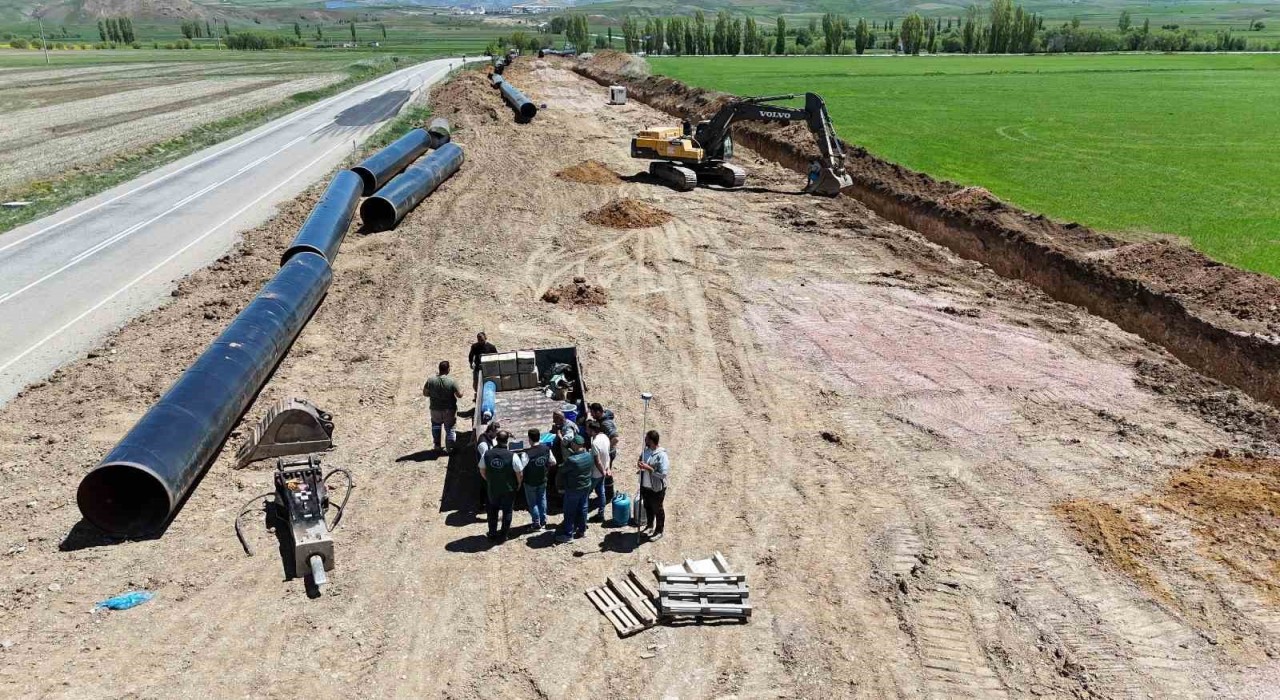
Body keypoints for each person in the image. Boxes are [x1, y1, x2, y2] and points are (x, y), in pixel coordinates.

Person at [480, 430, 522, 543]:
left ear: (496, 439)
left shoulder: (487, 454)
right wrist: (518, 484)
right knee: (507, 511)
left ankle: (492, 533)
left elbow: (482, 469)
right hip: (509, 488)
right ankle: (503, 535)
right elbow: (519, 473)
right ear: (507, 441)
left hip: (493, 488)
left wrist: (488, 480)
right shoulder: (512, 456)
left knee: (492, 510)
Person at [555, 436, 594, 543]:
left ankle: (568, 534)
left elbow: (562, 470)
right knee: (583, 508)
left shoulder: (572, 460)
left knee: (569, 511)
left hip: (573, 488)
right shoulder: (589, 456)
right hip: (586, 486)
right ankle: (582, 530)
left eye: (572, 443)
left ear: (575, 445)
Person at [516, 428, 555, 531]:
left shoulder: (526, 453)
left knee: (532, 503)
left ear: (529, 439)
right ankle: (543, 520)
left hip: (530, 482)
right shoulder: (546, 449)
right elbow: (553, 462)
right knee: (542, 499)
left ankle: (536, 523)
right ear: (539, 437)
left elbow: (520, 468)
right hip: (542, 479)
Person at [636, 429, 670, 540]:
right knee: (648, 507)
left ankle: (659, 531)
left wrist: (649, 468)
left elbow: (663, 474)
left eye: (646, 438)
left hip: (656, 488)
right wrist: (640, 463)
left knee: (657, 509)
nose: (644, 440)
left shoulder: (661, 455)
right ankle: (649, 526)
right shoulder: (645, 450)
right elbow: (641, 460)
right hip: (645, 486)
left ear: (651, 440)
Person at [423, 360, 463, 453]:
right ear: (448, 369)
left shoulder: (430, 380)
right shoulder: (452, 381)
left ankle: (437, 445)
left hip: (435, 409)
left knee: (436, 426)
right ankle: (450, 448)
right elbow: (459, 395)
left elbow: (425, 393)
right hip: (449, 410)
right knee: (450, 428)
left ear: (439, 369)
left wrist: (432, 395)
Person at [587, 420, 611, 521]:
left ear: (593, 431)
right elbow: (607, 455)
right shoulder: (605, 437)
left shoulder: (595, 443)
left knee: (585, 494)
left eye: (588, 430)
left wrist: (603, 472)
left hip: (595, 474)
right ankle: (601, 514)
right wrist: (607, 469)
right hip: (603, 471)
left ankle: (583, 516)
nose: (587, 431)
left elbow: (597, 462)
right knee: (601, 493)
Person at [588, 402, 619, 466]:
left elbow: (616, 439)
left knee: (605, 469)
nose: (591, 415)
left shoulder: (606, 424)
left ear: (598, 412)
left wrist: (606, 448)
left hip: (608, 453)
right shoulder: (604, 414)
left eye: (592, 413)